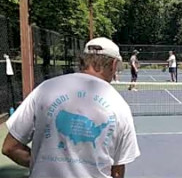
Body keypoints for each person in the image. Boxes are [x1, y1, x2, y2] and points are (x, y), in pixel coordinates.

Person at [2, 37, 140, 178]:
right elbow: (117, 172)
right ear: (113, 64)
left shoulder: (45, 89)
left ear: (83, 60)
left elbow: (10, 147)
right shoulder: (120, 106)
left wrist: (40, 165)